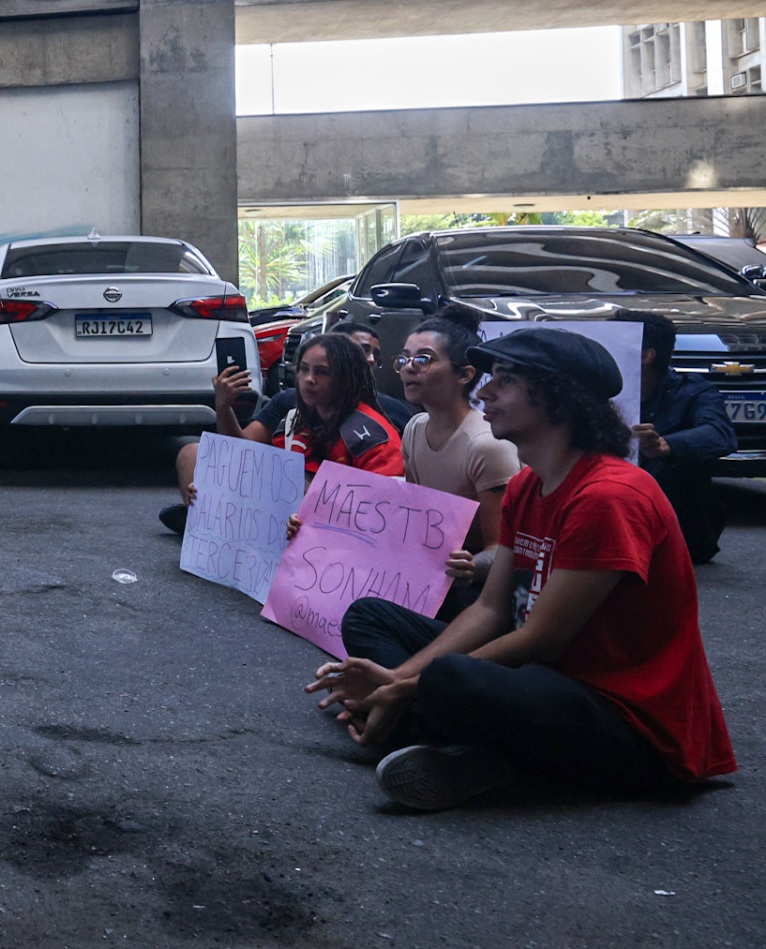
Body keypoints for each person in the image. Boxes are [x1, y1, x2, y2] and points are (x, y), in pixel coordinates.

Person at [308, 328, 735, 812]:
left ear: (560, 398)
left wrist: (411, 687)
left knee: (450, 676)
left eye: (505, 380)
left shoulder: (610, 497)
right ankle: (450, 735)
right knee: (368, 616)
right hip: (541, 683)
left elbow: (540, 639)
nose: (484, 391)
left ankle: (464, 744)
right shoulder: (528, 485)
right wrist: (397, 676)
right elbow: (492, 609)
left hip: (629, 722)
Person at [161, 332, 402, 533]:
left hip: (344, 533)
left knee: (303, 483)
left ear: (347, 378)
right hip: (284, 524)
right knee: (192, 455)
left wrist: (322, 518)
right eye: (304, 369)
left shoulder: (372, 432)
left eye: (322, 372)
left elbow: (386, 507)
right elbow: (245, 455)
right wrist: (214, 487)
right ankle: (202, 524)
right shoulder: (293, 418)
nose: (309, 379)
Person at [394, 307, 521, 618]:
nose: (409, 368)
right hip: (428, 572)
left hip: (472, 592)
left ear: (465, 374)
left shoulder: (486, 444)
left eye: (423, 359)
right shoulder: (413, 429)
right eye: (404, 359)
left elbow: (501, 549)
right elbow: (415, 516)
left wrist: (468, 567)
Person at [623, 310, 736, 564]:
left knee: (681, 461)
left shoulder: (692, 390)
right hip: (613, 509)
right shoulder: (598, 391)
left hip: (681, 525)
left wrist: (665, 446)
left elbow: (721, 433)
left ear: (645, 356)